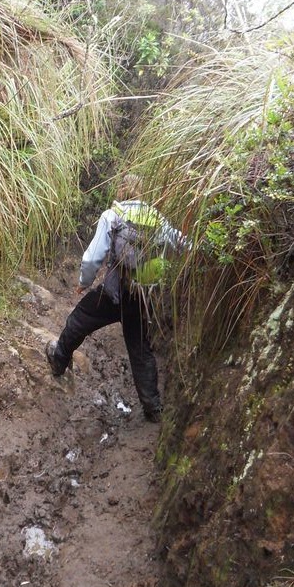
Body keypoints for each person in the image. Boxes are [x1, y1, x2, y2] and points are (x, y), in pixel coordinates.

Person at [45, 174, 185, 422]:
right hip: (143, 296)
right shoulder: (157, 219)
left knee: (80, 319)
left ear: (122, 190)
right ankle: (153, 408)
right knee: (141, 350)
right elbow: (180, 244)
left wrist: (83, 283)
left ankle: (58, 361)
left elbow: (92, 258)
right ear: (141, 192)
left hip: (114, 294)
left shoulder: (113, 215)